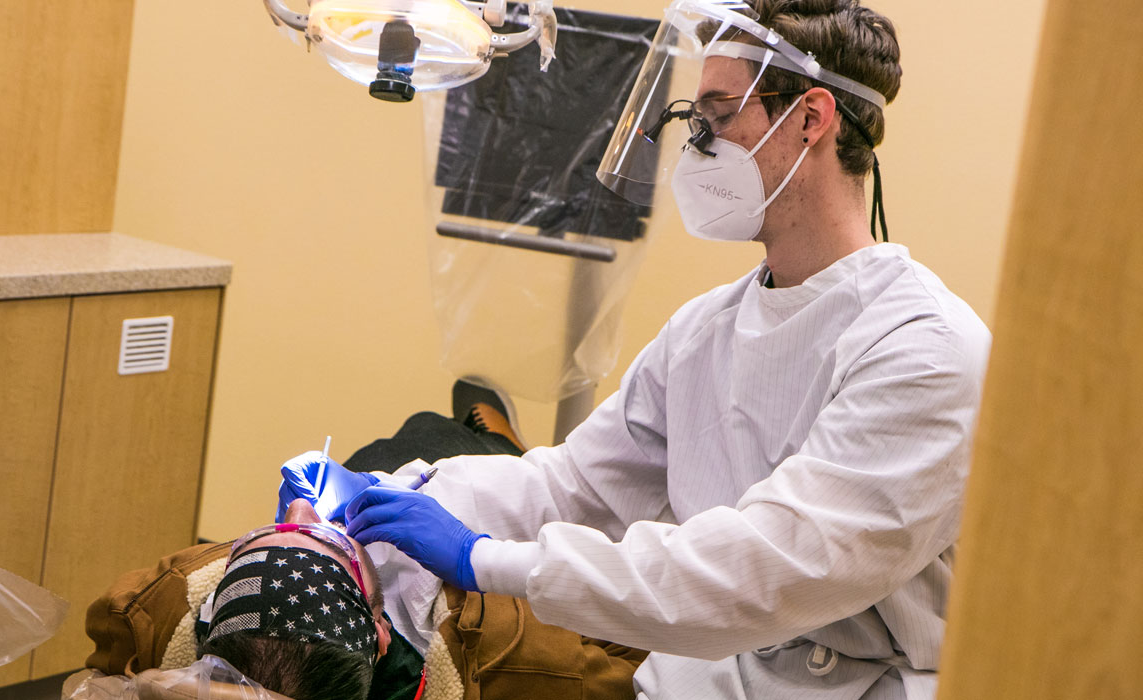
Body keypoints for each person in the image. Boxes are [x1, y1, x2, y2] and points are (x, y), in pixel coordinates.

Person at [278, 2, 993, 698]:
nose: (697, 144)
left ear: (809, 119)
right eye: (695, 122)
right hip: (704, 679)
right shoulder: (705, 330)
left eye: (716, 117)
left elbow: (763, 572)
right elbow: (573, 487)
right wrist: (396, 492)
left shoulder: (926, 350)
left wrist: (479, 559)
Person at [76, 400, 645, 700]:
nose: (302, 512)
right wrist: (481, 557)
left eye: (273, 533)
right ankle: (500, 436)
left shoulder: (165, 607)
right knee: (437, 434)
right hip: (494, 507)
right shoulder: (521, 660)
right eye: (327, 539)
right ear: (377, 629)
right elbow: (646, 651)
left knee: (387, 445)